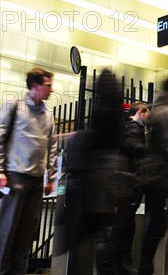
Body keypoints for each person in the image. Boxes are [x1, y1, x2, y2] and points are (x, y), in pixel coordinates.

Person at [63, 68, 124, 275]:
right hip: (110, 179)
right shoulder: (118, 113)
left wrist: (79, 137)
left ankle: (103, 270)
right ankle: (107, 268)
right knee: (100, 231)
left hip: (95, 180)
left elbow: (95, 141)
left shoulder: (101, 111)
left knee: (88, 232)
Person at [0, 68, 58, 275]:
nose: (52, 90)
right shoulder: (15, 106)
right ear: (35, 86)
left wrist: (51, 176)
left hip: (36, 181)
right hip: (15, 176)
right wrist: (1, 171)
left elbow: (52, 146)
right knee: (7, 230)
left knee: (26, 234)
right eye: (48, 85)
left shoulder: (49, 114)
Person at [137, 77, 168, 275]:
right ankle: (145, 267)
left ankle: (145, 266)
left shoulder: (157, 110)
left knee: (155, 223)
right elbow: (163, 147)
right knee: (158, 224)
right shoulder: (162, 113)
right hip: (157, 177)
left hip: (152, 176)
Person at [112, 101, 150, 275]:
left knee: (126, 224)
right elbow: (131, 146)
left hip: (125, 183)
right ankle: (119, 264)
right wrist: (149, 151)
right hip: (128, 184)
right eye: (148, 113)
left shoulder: (127, 126)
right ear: (141, 111)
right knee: (124, 225)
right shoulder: (134, 126)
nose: (149, 117)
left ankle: (121, 264)